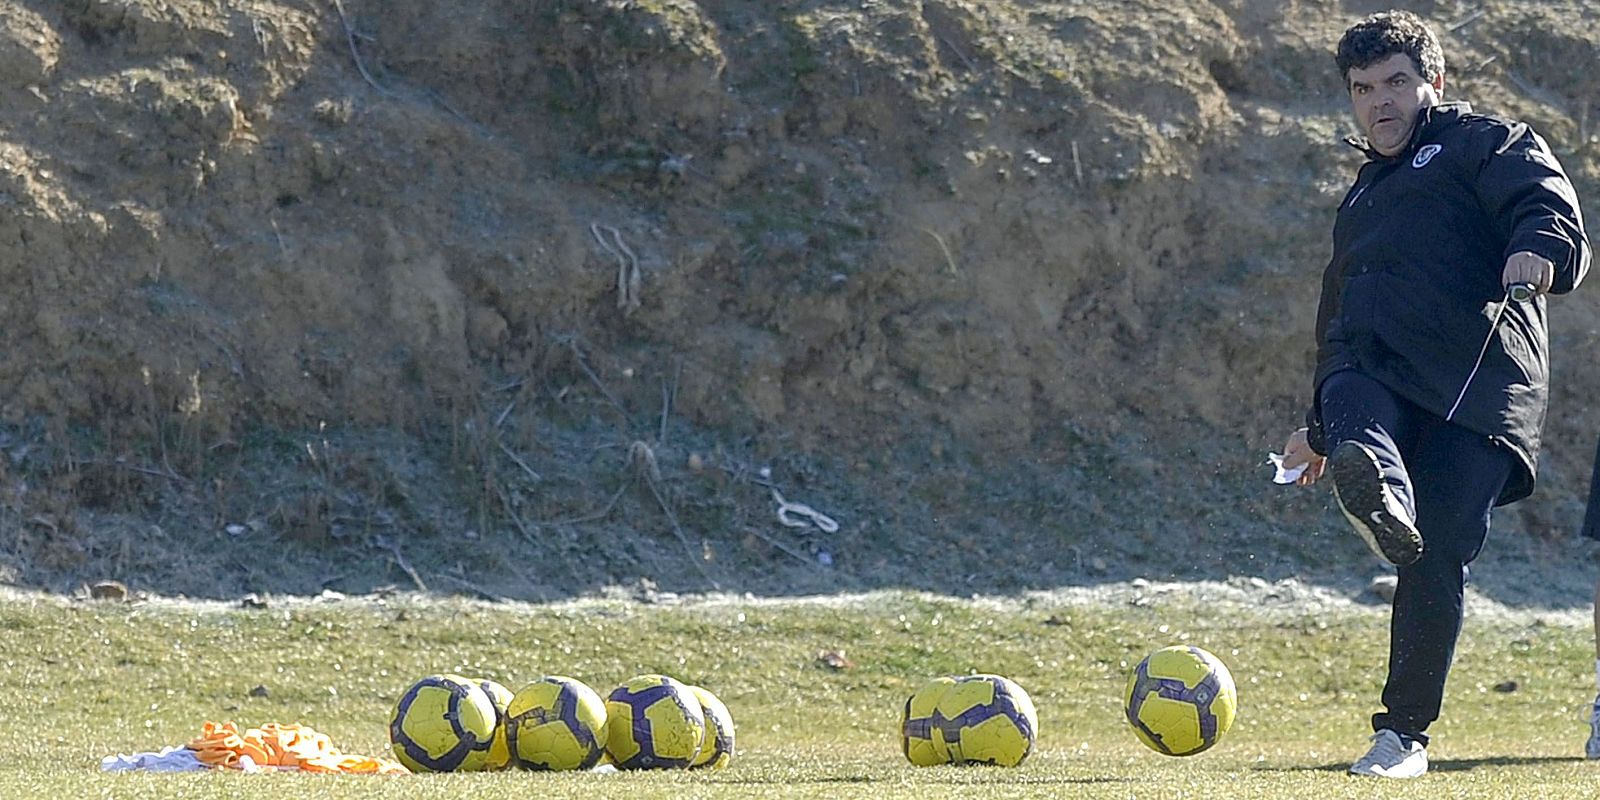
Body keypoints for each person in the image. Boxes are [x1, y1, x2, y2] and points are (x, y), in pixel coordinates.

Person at [1278, 10, 1590, 779]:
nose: (1380, 102)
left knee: (1437, 554)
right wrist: (1317, 431)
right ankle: (1375, 485)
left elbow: (1547, 208)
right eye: (1363, 89)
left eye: (1396, 83)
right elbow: (1338, 314)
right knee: (1348, 379)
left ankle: (1403, 739)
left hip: (1478, 386)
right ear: (1349, 98)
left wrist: (1536, 253)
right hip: (1378, 378)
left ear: (1433, 83)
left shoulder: (1490, 143)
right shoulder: (1362, 196)